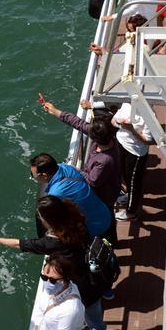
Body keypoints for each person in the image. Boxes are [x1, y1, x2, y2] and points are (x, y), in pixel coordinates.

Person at [0, 197, 109, 330]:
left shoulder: (52, 242)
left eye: (41, 216)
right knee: (93, 314)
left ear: (49, 220)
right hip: (94, 277)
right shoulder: (76, 219)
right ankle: (90, 328)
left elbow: (22, 244)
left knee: (95, 321)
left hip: (84, 288)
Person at [37, 94, 121, 232]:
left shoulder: (105, 160)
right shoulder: (105, 137)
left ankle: (109, 239)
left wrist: (75, 170)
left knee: (106, 215)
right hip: (106, 185)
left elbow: (93, 180)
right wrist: (55, 111)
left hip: (105, 194)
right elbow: (78, 123)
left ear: (96, 137)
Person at [29, 153, 111, 237]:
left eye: (33, 174)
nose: (33, 176)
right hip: (105, 213)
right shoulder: (66, 167)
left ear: (44, 175)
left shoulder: (56, 193)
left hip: (95, 227)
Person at [111, 102, 152, 220]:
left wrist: (131, 129)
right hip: (122, 144)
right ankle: (129, 196)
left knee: (134, 182)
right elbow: (113, 121)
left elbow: (148, 141)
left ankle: (131, 213)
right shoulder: (126, 105)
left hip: (136, 152)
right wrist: (122, 124)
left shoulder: (149, 115)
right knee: (125, 175)